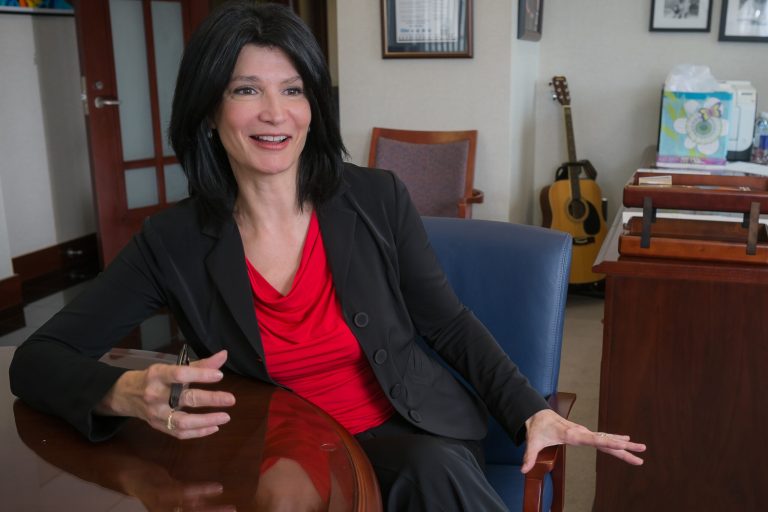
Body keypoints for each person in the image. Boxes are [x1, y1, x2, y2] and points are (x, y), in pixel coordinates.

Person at [9, 2, 645, 510]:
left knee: (435, 469)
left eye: (293, 89)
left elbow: (448, 324)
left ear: (314, 103)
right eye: (246, 90)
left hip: (402, 432)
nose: (274, 114)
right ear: (208, 111)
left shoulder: (376, 198)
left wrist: (529, 408)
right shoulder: (170, 243)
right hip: (273, 452)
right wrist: (121, 391)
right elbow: (35, 361)